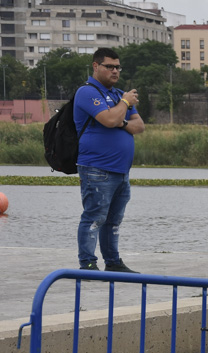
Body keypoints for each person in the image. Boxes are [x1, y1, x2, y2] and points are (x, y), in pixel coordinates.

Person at [75, 47, 144, 272]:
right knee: (94, 217)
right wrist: (124, 105)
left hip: (120, 171)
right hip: (97, 168)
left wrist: (121, 120)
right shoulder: (87, 92)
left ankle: (113, 262)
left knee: (113, 221)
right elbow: (107, 119)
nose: (115, 71)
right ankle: (87, 263)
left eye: (117, 67)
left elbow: (139, 126)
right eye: (109, 66)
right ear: (96, 66)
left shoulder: (117, 94)